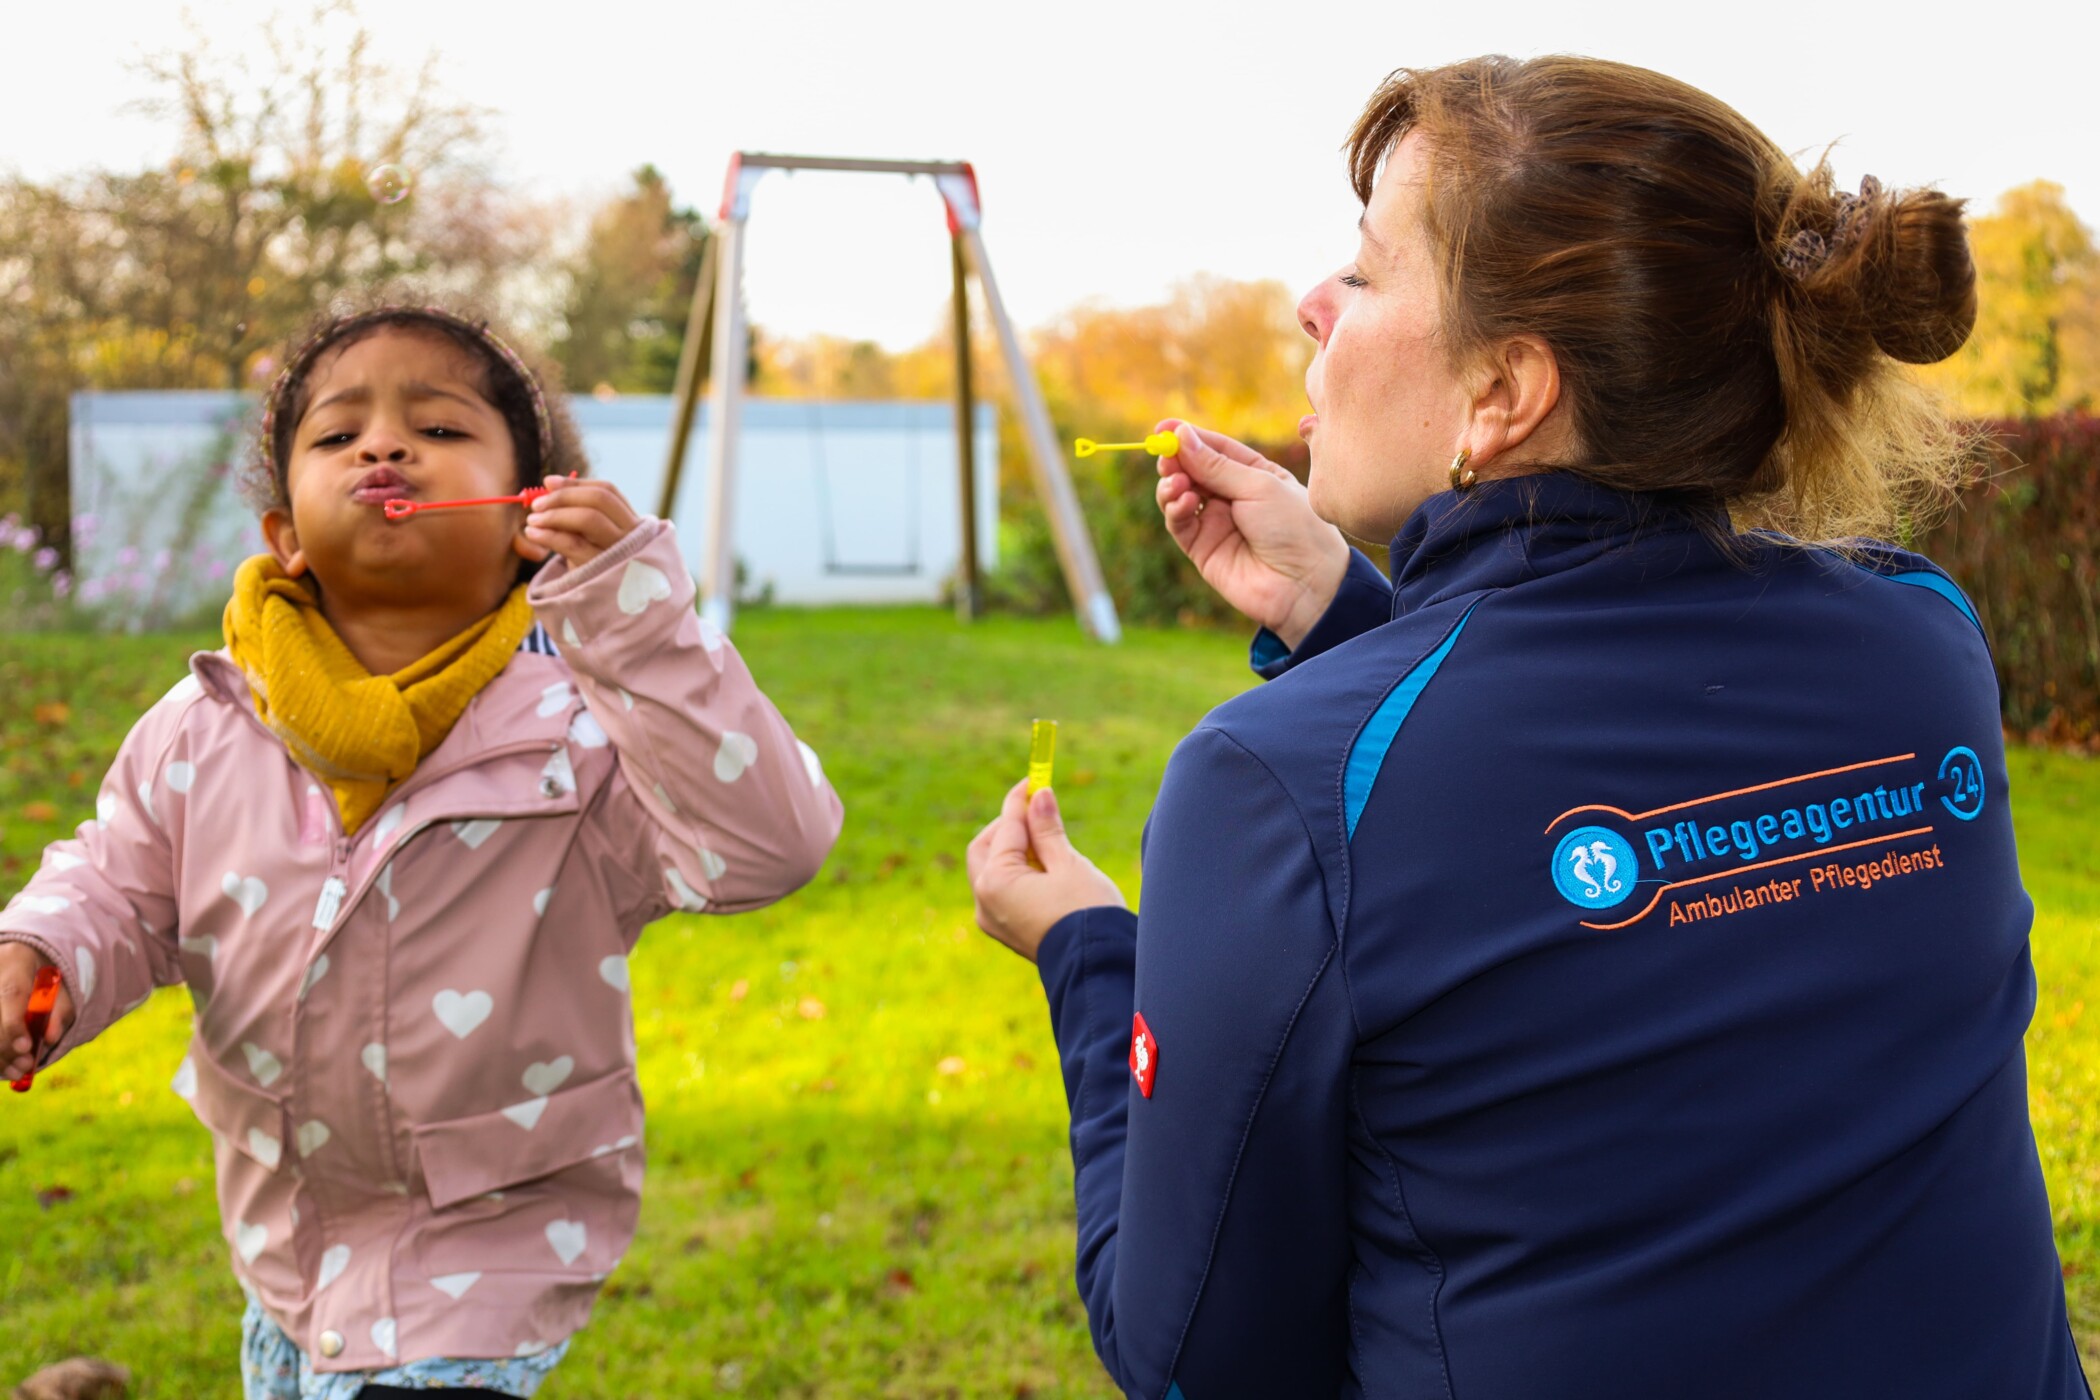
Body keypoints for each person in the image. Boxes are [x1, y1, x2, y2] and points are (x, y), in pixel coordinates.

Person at [967, 55, 2092, 1400]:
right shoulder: (1921, 641)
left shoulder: (1271, 790)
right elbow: (1568, 772)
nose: (1309, 305)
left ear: (1506, 393)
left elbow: (1194, 1352)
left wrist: (1089, 953)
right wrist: (1346, 615)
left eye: (1370, 271)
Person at [0, 300, 844, 1397]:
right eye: (339, 433)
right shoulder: (207, 723)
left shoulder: (586, 735)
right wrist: (44, 948)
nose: (385, 446)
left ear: (527, 519)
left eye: (440, 430)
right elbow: (119, 883)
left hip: (488, 1248)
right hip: (289, 1246)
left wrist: (636, 625)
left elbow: (770, 843)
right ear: (285, 535)